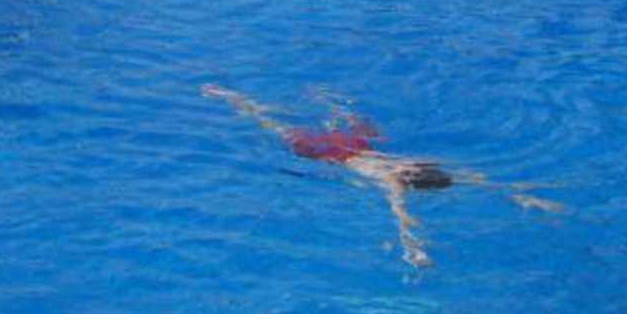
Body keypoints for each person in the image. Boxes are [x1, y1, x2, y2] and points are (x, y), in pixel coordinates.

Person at [204, 86, 559, 269]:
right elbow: (467, 180)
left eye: (409, 171)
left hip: (342, 151)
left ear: (413, 176)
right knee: (280, 124)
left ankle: (238, 99)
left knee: (277, 125)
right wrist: (521, 194)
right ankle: (259, 98)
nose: (406, 168)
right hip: (344, 151)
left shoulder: (399, 175)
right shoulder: (403, 173)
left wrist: (413, 247)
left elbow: (406, 213)